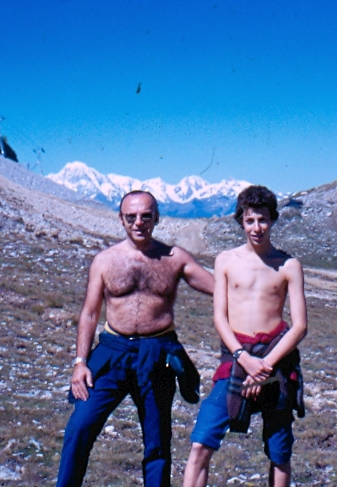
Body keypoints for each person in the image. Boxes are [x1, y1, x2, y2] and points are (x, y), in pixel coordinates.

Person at [56, 190, 215, 487]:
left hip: (157, 351)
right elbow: (90, 314)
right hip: (112, 350)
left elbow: (220, 289)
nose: (139, 222)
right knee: (80, 426)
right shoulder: (105, 261)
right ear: (121, 219)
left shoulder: (174, 258)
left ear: (156, 217)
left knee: (157, 441)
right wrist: (80, 362)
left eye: (145, 216)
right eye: (131, 217)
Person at [183, 185, 307, 487]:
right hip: (236, 358)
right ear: (241, 221)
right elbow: (220, 318)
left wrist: (263, 367)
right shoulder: (226, 260)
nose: (256, 228)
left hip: (275, 362)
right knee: (201, 443)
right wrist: (243, 358)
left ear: (273, 220)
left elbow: (300, 325)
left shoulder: (289, 265)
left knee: (279, 452)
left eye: (263, 220)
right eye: (250, 220)